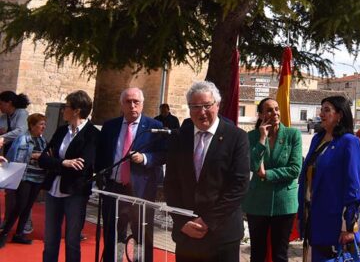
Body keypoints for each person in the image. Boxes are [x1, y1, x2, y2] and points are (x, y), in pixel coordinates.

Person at [164, 81, 250, 262]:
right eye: (195, 106)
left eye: (206, 105)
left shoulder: (237, 137)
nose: (201, 112)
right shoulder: (179, 137)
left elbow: (239, 186)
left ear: (217, 105)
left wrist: (208, 221)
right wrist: (181, 222)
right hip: (187, 234)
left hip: (222, 236)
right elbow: (171, 184)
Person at [96, 88, 167, 262]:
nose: (132, 105)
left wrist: (144, 158)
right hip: (114, 188)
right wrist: (101, 180)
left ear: (142, 104)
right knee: (113, 234)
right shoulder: (110, 126)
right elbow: (102, 154)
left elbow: (163, 154)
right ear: (122, 104)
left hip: (141, 191)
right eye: (128, 102)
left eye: (136, 102)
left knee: (142, 236)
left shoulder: (154, 127)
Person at [298, 96, 360, 262]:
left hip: (335, 222)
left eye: (327, 110)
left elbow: (352, 185)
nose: (321, 114)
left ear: (339, 115)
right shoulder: (317, 139)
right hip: (313, 217)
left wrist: (348, 226)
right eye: (321, 109)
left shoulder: (349, 142)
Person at [39, 90, 100, 262]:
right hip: (53, 190)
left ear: (76, 110)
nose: (63, 110)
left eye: (66, 107)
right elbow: (43, 159)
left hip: (75, 193)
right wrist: (63, 163)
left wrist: (55, 161)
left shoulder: (92, 134)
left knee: (72, 240)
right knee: (50, 238)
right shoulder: (61, 131)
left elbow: (82, 166)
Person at [242, 97, 302, 262]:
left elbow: (295, 169)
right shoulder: (252, 136)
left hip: (284, 203)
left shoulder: (293, 135)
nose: (275, 113)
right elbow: (252, 165)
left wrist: (266, 174)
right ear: (261, 115)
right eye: (269, 110)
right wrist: (262, 139)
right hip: (257, 203)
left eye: (276, 109)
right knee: (257, 254)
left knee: (279, 255)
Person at [0, 113, 46, 247]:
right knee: (20, 205)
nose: (43, 127)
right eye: (40, 124)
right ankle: (4, 232)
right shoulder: (23, 139)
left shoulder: (42, 140)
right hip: (25, 177)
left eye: (44, 124)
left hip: (38, 177)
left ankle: (19, 234)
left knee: (28, 206)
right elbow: (15, 157)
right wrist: (35, 156)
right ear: (32, 125)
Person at [0, 91, 31, 232]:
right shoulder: (3, 117)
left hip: (21, 157)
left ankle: (25, 223)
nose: (0, 107)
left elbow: (21, 131)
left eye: (1, 103)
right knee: (9, 190)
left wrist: (3, 137)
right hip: (7, 156)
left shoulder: (21, 114)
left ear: (9, 103)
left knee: (22, 191)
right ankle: (7, 221)